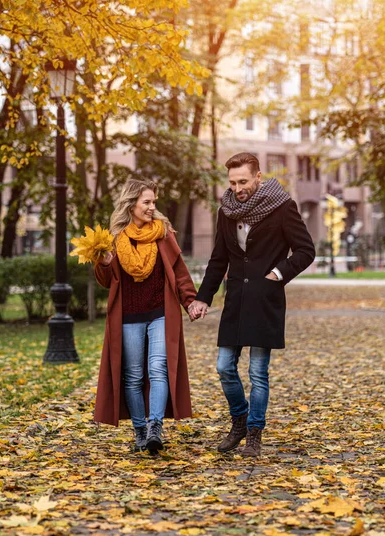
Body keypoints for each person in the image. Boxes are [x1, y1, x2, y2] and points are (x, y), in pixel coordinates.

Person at [188, 153, 315, 458]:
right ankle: (240, 420)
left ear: (258, 176)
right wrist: (202, 297)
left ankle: (254, 434)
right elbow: (219, 259)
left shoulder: (283, 207)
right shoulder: (226, 211)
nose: (237, 188)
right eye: (232, 182)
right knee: (224, 367)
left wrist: (278, 273)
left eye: (243, 181)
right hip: (235, 300)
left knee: (259, 373)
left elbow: (305, 250)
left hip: (266, 298)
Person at [94, 178, 197, 453]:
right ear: (131, 204)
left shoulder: (164, 233)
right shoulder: (115, 238)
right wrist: (103, 263)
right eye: (146, 202)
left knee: (158, 369)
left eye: (154, 202)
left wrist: (191, 302)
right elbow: (106, 281)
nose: (152, 207)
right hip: (128, 316)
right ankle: (139, 430)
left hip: (160, 313)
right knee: (133, 376)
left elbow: (179, 273)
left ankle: (155, 427)